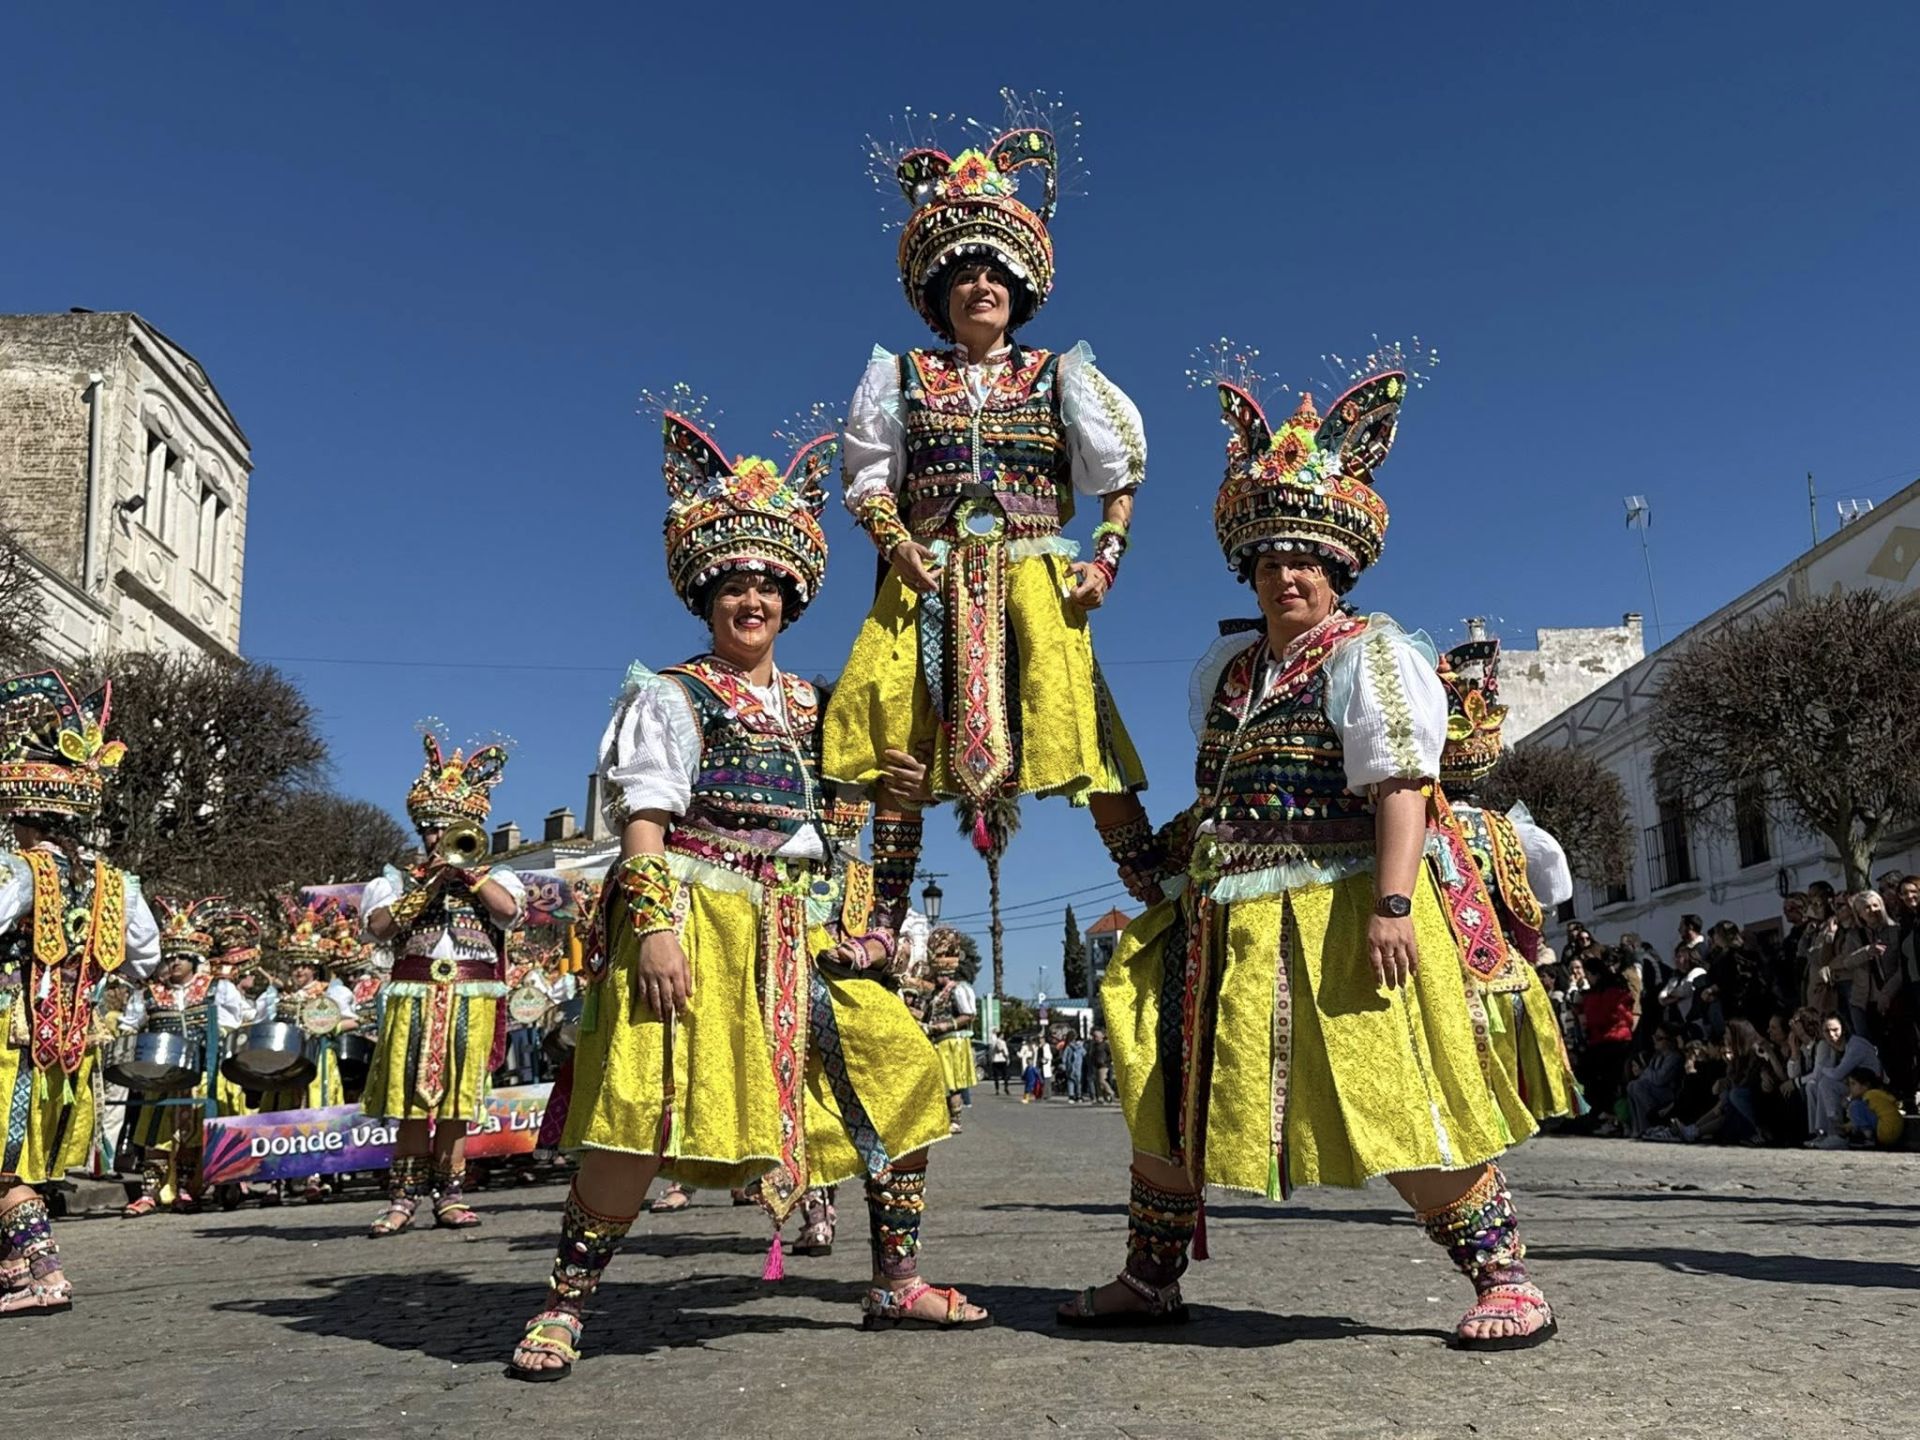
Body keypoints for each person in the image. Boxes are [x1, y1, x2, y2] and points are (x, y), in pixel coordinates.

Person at [1064, 346, 1564, 1350]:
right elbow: (1217, 796)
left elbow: (1401, 787)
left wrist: (1389, 906)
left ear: (1336, 570)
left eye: (1306, 561)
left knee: (1386, 1087)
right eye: (1269, 560)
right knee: (1172, 1086)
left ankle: (1506, 1278)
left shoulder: (1371, 653)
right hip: (1228, 909)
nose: (1287, 575)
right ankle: (1151, 1278)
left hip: (1344, 907)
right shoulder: (1230, 668)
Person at [507, 397, 982, 1383]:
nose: (751, 599)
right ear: (706, 595)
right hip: (695, 914)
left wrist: (895, 796)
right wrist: (654, 934)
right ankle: (563, 1304)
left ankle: (896, 1279)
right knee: (638, 1115)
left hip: (791, 924)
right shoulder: (670, 696)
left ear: (792, 596)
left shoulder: (814, 704)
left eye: (768, 584)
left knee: (901, 1071)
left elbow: (850, 815)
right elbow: (643, 823)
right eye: (733, 585)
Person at [824, 93, 1155, 930]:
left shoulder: (1057, 374)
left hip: (1034, 575)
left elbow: (1120, 472)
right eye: (965, 275)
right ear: (940, 294)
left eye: (995, 274)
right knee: (897, 738)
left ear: (1018, 288)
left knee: (1083, 731)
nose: (981, 286)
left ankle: (1159, 895)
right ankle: (876, 921)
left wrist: (1104, 559)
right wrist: (897, 546)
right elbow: (865, 479)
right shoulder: (898, 376)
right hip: (926, 574)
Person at [0, 669, 160, 1312]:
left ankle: (43, 1273)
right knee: (23, 1162)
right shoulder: (115, 882)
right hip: (68, 1043)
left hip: (10, 1033)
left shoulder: (19, 868)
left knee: (4, 1167)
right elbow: (144, 956)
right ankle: (15, 1268)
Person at [361, 730, 526, 1235]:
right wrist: (427, 884)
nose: (438, 837)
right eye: (430, 828)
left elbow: (510, 912)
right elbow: (379, 927)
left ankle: (450, 1194)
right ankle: (402, 1198)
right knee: (409, 1097)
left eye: (446, 828)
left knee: (457, 1098)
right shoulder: (396, 879)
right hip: (414, 994)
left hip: (470, 997)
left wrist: (470, 875)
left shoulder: (496, 875)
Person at [1430, 635, 1582, 1124]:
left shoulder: (1410, 829)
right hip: (1502, 968)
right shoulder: (1515, 831)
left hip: (1435, 970)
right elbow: (1556, 891)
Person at [120, 899, 255, 1215]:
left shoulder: (216, 989)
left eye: (181, 957)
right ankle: (150, 1192)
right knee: (156, 1132)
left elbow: (237, 1023)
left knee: (195, 1130)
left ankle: (187, 1188)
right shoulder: (150, 993)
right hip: (161, 1074)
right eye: (169, 958)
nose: (174, 963)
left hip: (203, 1074)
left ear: (195, 960)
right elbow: (128, 1026)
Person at [256, 901, 361, 1202]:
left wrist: (331, 1027)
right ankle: (277, 1178)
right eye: (294, 965)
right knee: (282, 1116)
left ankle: (316, 1175)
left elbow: (353, 1020)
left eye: (304, 966)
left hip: (318, 1063)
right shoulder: (279, 996)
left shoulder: (332, 993)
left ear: (314, 967)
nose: (298, 971)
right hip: (285, 1062)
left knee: (315, 1114)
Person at [923, 930, 978, 1131]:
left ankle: (956, 1119)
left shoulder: (958, 989)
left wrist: (946, 1025)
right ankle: (945, 1117)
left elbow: (969, 1014)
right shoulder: (937, 994)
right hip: (939, 1042)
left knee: (952, 1083)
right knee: (942, 1083)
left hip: (952, 1042)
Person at [1804, 1014, 1884, 1147]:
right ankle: (1821, 1134)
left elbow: (1837, 1074)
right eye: (1827, 1031)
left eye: (1835, 1030)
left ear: (1843, 1029)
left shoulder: (1855, 1045)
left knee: (1826, 1084)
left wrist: (1822, 1069)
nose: (1831, 1034)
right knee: (1814, 1086)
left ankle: (1836, 1133)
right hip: (1851, 1085)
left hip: (1867, 1087)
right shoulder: (1833, 1048)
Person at [1626, 1027, 1683, 1138]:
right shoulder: (1656, 1057)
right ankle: (1637, 1128)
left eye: (1659, 1038)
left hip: (1667, 1093)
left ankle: (1652, 1123)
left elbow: (1660, 1079)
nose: (1654, 1040)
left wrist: (1645, 1070)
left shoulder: (1674, 1058)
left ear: (1669, 1041)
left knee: (1637, 1086)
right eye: (1654, 1037)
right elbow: (1646, 1077)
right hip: (1654, 1090)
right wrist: (1646, 1072)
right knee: (1632, 1086)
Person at [1841, 1067, 1903, 1148]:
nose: (1850, 1088)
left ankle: (1868, 1137)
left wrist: (1849, 1102)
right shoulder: (1877, 1095)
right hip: (1895, 1131)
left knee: (1855, 1106)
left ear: (1866, 1085)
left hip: (1884, 1130)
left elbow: (1859, 1116)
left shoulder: (1869, 1095)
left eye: (1853, 1084)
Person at [1063, 1033, 1086, 1103]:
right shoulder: (1081, 1048)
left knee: (1070, 1082)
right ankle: (1079, 1096)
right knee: (1078, 1083)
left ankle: (1071, 1096)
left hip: (1070, 1067)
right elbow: (1085, 1055)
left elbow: (1064, 1057)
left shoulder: (1068, 1047)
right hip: (1079, 1067)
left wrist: (1064, 1065)